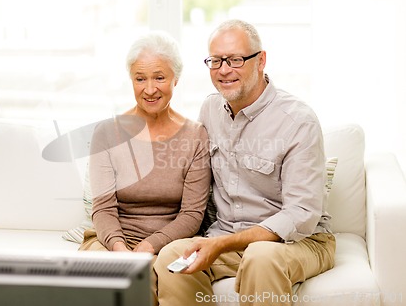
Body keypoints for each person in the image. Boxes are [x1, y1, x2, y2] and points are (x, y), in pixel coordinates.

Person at [153, 19, 336, 306]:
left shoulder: (298, 121)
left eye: (235, 60)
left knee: (260, 256)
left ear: (261, 60)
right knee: (171, 257)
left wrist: (222, 244)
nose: (224, 70)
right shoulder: (210, 109)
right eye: (216, 61)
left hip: (297, 242)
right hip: (227, 237)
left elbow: (301, 214)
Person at [79, 31, 211, 257]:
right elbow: (103, 209)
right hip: (111, 242)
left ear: (175, 79)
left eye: (159, 78)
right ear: (131, 79)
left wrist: (149, 246)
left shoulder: (195, 136)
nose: (150, 89)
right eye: (140, 79)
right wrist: (120, 251)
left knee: (160, 275)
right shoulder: (107, 134)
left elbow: (191, 214)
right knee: (113, 275)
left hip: (171, 244)